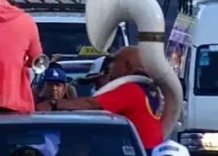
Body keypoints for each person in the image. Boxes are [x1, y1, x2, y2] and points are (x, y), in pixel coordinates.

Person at [36, 47, 164, 151]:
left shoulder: (131, 90)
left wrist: (53, 104)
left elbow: (91, 103)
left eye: (114, 62)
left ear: (127, 65)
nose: (111, 67)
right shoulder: (147, 89)